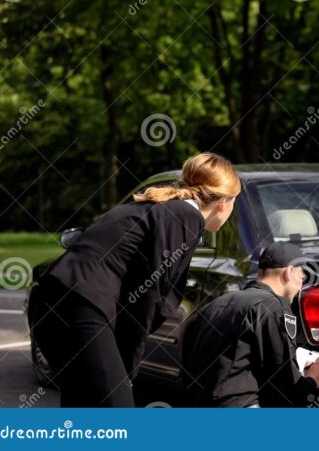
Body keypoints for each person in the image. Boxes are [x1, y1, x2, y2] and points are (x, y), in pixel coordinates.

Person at [29, 152, 240, 407]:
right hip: (82, 307)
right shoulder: (185, 215)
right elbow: (151, 294)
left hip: (51, 304)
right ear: (223, 202)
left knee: (84, 408)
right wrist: (129, 365)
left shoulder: (157, 208)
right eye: (234, 202)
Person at [181, 242, 319, 407]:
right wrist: (312, 381)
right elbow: (285, 387)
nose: (303, 282)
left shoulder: (214, 305)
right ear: (290, 272)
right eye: (302, 275)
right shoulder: (274, 306)